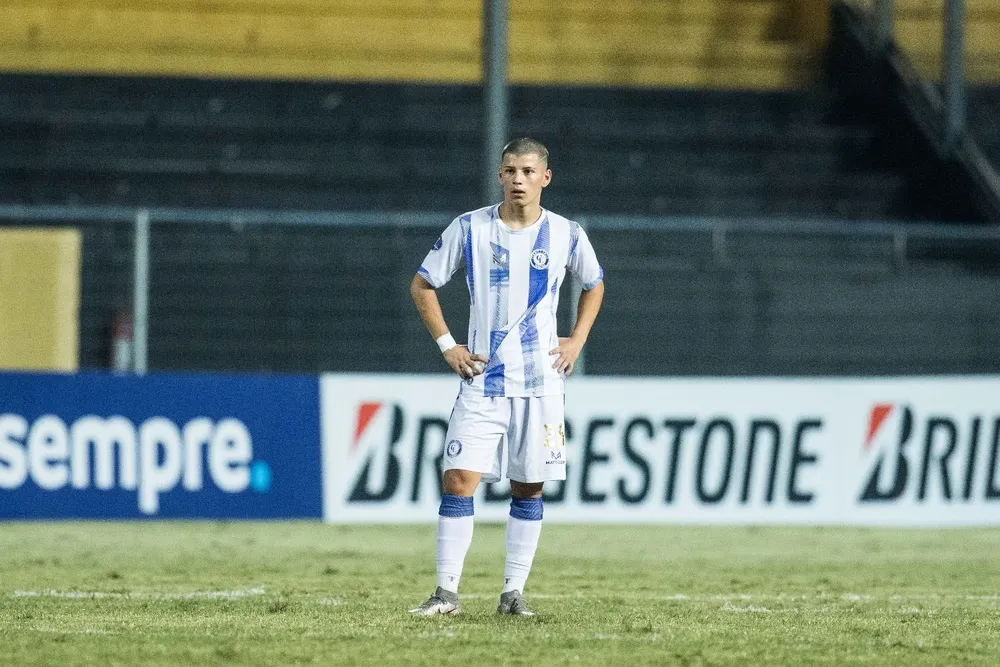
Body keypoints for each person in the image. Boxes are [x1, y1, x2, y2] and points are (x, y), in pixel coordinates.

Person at [408, 137, 605, 616]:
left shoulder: (566, 234)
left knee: (528, 487)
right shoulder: (469, 227)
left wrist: (576, 339)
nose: (518, 179)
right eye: (510, 171)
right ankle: (446, 595)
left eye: (527, 172)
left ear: (545, 178)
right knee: (458, 479)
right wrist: (448, 346)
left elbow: (594, 283)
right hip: (482, 380)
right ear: (499, 175)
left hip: (540, 383)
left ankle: (512, 595)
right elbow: (422, 284)